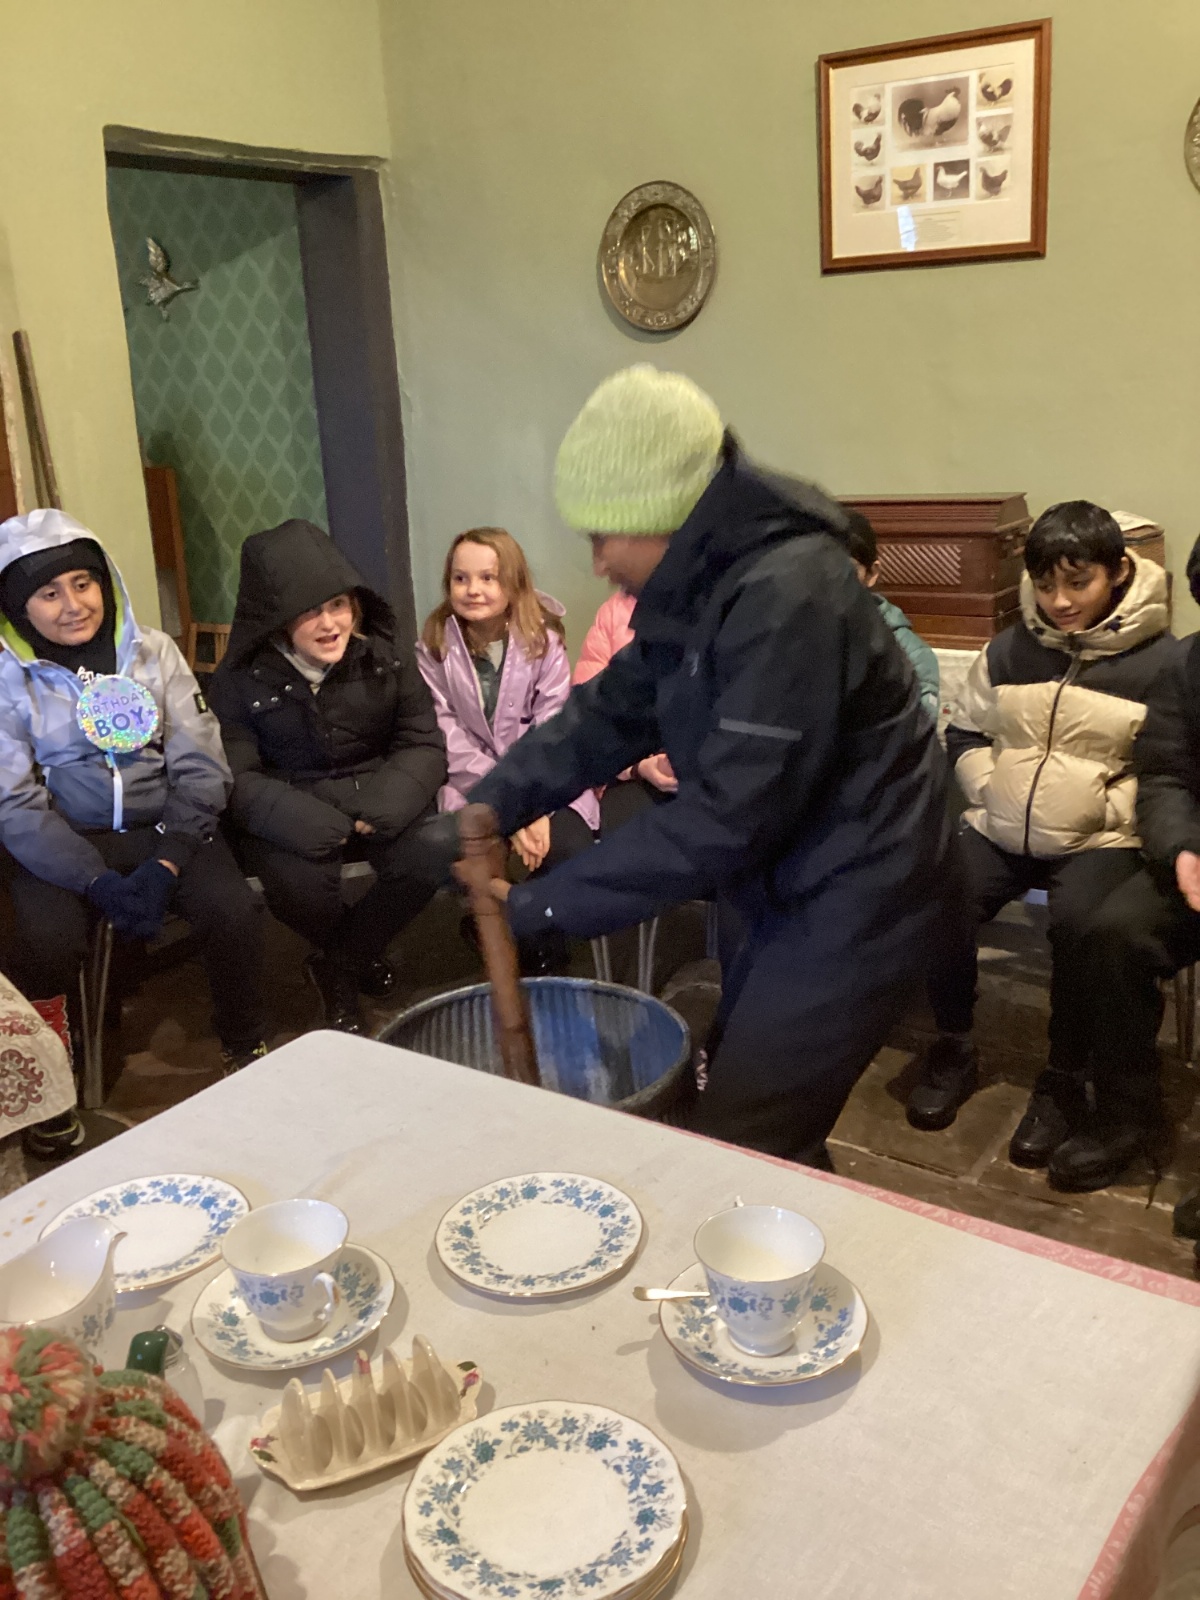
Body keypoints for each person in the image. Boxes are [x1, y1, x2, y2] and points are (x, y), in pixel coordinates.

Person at [443, 364, 946, 1164]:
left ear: (664, 515)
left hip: (859, 889)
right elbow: (613, 712)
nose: (597, 561)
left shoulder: (791, 591)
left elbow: (730, 813)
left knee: (746, 1139)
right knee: (758, 1115)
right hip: (785, 872)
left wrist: (541, 904)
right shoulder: (702, 580)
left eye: (602, 535)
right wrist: (493, 804)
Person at [905, 501, 1177, 1192]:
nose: (1060, 601)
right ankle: (953, 1043)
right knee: (937, 896)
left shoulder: (1163, 662)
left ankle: (1064, 1077)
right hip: (1006, 823)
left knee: (1083, 926)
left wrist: (1098, 808)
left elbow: (1166, 767)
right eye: (1046, 584)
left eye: (1078, 583)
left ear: (1118, 573)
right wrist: (990, 788)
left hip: (1101, 835)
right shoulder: (1008, 650)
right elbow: (966, 732)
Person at [0, 508, 266, 1156]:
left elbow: (202, 762)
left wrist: (169, 860)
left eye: (83, 583)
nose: (73, 606)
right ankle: (54, 1087)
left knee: (232, 908)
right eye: (48, 593)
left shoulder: (153, 651)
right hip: (67, 838)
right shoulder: (8, 679)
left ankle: (244, 1042)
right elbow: (15, 801)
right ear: (18, 606)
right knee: (45, 941)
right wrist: (94, 880)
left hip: (165, 825)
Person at [209, 520, 446, 1034]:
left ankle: (340, 962)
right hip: (290, 802)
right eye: (309, 611)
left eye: (338, 605)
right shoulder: (238, 681)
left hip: (377, 789)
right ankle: (355, 957)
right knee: (300, 890)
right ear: (276, 620)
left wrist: (383, 806)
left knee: (430, 855)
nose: (329, 623)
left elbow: (421, 741)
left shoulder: (386, 656)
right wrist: (309, 822)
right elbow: (236, 773)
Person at [1071, 536, 1200, 1203]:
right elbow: (1166, 773)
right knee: (1114, 935)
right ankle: (1125, 1113)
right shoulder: (1188, 664)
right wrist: (1182, 849)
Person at [416, 527, 598, 971]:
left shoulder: (544, 641)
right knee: (450, 848)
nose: (473, 589)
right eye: (461, 578)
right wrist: (508, 805)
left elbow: (553, 726)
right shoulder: (434, 647)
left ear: (513, 583)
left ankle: (537, 944)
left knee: (569, 847)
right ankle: (498, 933)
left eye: (488, 578)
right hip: (474, 784)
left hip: (545, 781)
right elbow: (447, 735)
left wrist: (533, 806)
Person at [573, 590, 677, 829]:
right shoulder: (615, 611)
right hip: (628, 768)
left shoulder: (719, 605)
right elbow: (591, 716)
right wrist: (635, 768)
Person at [844, 508, 940, 720]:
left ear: (872, 574)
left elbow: (916, 729)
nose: (832, 579)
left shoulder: (911, 654)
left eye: (847, 570)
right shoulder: (790, 635)